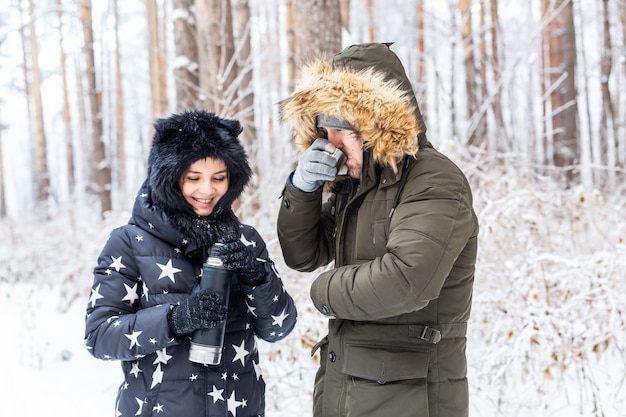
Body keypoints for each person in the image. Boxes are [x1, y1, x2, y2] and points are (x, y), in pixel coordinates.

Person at [276, 42, 479, 417]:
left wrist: (323, 291)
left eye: (342, 128)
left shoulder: (433, 179)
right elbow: (303, 255)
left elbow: (405, 280)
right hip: (347, 387)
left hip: (410, 397)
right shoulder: (356, 185)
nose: (331, 143)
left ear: (377, 125)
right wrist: (302, 190)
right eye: (324, 127)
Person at [84, 109, 297, 417]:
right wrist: (174, 320)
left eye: (219, 178)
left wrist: (257, 277)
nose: (207, 191)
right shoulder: (129, 243)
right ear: (170, 179)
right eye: (193, 178)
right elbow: (100, 337)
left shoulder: (246, 240)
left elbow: (278, 328)